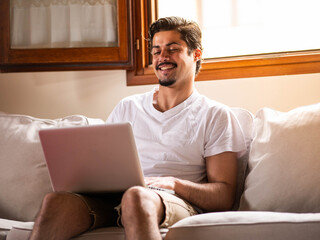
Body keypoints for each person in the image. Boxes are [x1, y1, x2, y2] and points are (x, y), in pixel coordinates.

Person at [29, 16, 246, 240]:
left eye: (172, 49)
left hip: (172, 201)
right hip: (115, 199)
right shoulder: (128, 107)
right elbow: (103, 165)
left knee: (136, 197)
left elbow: (224, 195)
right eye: (156, 50)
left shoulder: (214, 114)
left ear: (196, 54)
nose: (162, 57)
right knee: (56, 201)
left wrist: (174, 183)